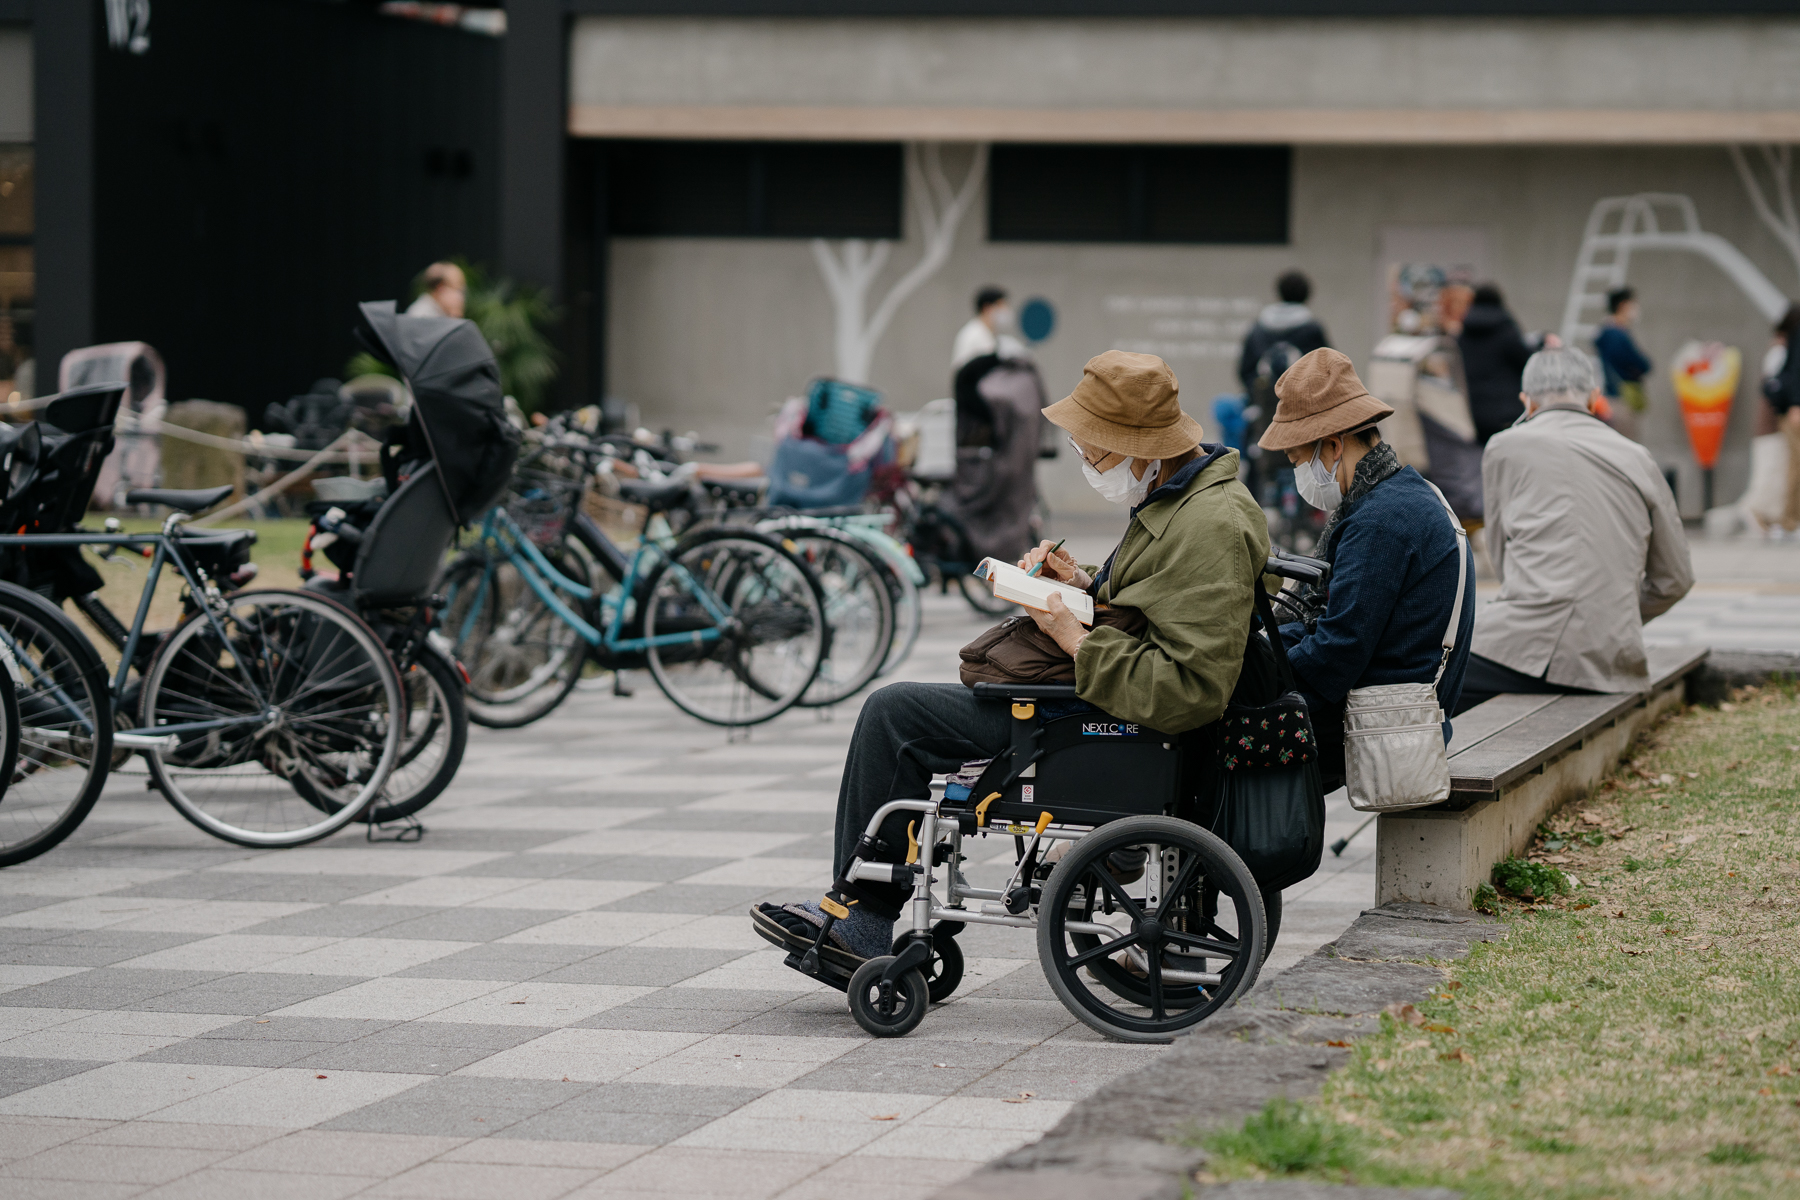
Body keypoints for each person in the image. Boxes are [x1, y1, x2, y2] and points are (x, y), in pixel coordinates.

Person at [752, 350, 1268, 965]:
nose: (1085, 461)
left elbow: (1190, 686)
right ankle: (861, 908)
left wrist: (1070, 635)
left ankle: (860, 919)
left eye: (1093, 449)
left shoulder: (1208, 521)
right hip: (1097, 701)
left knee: (893, 715)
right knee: (909, 709)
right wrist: (1076, 582)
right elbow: (1151, 602)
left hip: (1103, 719)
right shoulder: (1181, 497)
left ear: (1139, 445)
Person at [1255, 349, 1475, 787]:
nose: (1300, 475)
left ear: (1333, 445)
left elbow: (1338, 648)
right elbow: (1331, 623)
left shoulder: (1381, 522)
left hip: (1377, 721)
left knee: (1212, 737)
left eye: (1299, 461)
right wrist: (1263, 651)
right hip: (1388, 699)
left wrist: (1251, 680)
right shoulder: (1401, 492)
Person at [1455, 347, 1693, 714]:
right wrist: (1612, 618)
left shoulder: (1505, 446)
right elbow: (1675, 578)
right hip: (1611, 660)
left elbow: (1505, 562)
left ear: (1527, 402)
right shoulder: (1637, 456)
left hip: (1524, 645)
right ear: (1595, 398)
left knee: (1421, 674)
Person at [1457, 283, 1551, 444]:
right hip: (1506, 411)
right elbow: (1526, 361)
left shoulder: (1464, 332)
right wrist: (1540, 346)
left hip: (1473, 410)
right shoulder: (1506, 328)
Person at [1237, 271, 1330, 397]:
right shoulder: (1312, 330)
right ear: (1307, 295)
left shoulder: (1258, 328)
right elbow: (1329, 368)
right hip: (1305, 404)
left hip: (1266, 405)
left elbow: (1245, 371)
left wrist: (1260, 395)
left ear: (1279, 293)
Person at [1760, 303, 1800, 535]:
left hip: (1790, 408)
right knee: (1795, 466)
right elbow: (1797, 371)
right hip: (1794, 409)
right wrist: (1796, 403)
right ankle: (1789, 521)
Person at [1593, 286, 1651, 418]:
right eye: (1633, 304)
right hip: (1618, 397)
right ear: (1623, 305)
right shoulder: (1614, 334)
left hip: (1613, 395)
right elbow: (1640, 363)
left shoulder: (1607, 331)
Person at [951, 286, 1023, 373]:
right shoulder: (972, 335)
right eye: (1000, 305)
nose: (1005, 310)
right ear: (987, 308)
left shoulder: (992, 336)